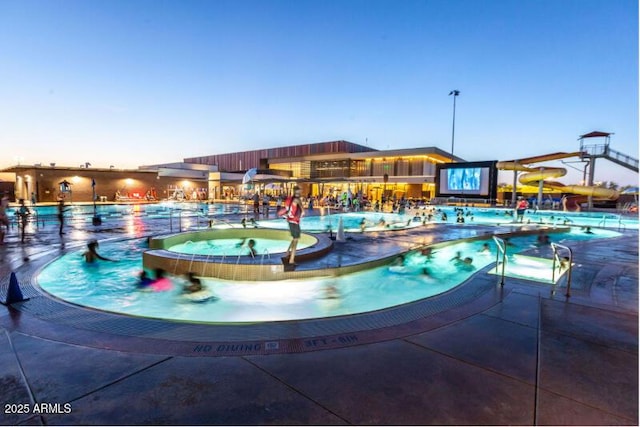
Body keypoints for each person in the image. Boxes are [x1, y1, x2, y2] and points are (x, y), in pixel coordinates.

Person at [283, 186, 304, 266]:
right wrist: (300, 215)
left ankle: (287, 252)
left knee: (294, 238)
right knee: (296, 240)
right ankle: (291, 260)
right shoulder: (297, 200)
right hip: (295, 222)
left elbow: (287, 210)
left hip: (289, 221)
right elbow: (303, 212)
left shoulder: (289, 199)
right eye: (300, 192)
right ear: (297, 192)